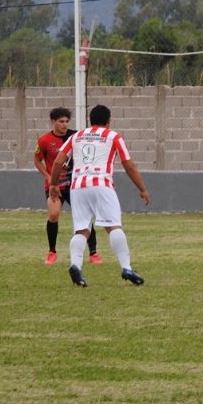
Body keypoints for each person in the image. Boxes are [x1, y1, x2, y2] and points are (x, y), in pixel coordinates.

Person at [50, 105, 151, 287]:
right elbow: (129, 166)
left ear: (91, 120)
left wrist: (53, 184)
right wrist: (142, 188)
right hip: (101, 184)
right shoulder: (113, 136)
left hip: (77, 187)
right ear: (108, 121)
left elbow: (58, 162)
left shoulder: (76, 136)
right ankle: (126, 267)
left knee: (81, 230)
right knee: (113, 226)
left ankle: (75, 265)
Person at [34, 107, 102, 265]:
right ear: (53, 122)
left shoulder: (76, 136)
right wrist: (49, 178)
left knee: (85, 216)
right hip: (54, 185)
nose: (64, 124)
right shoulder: (44, 140)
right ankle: (52, 252)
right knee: (53, 214)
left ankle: (93, 253)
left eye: (66, 121)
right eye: (61, 121)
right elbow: (37, 160)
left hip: (74, 185)